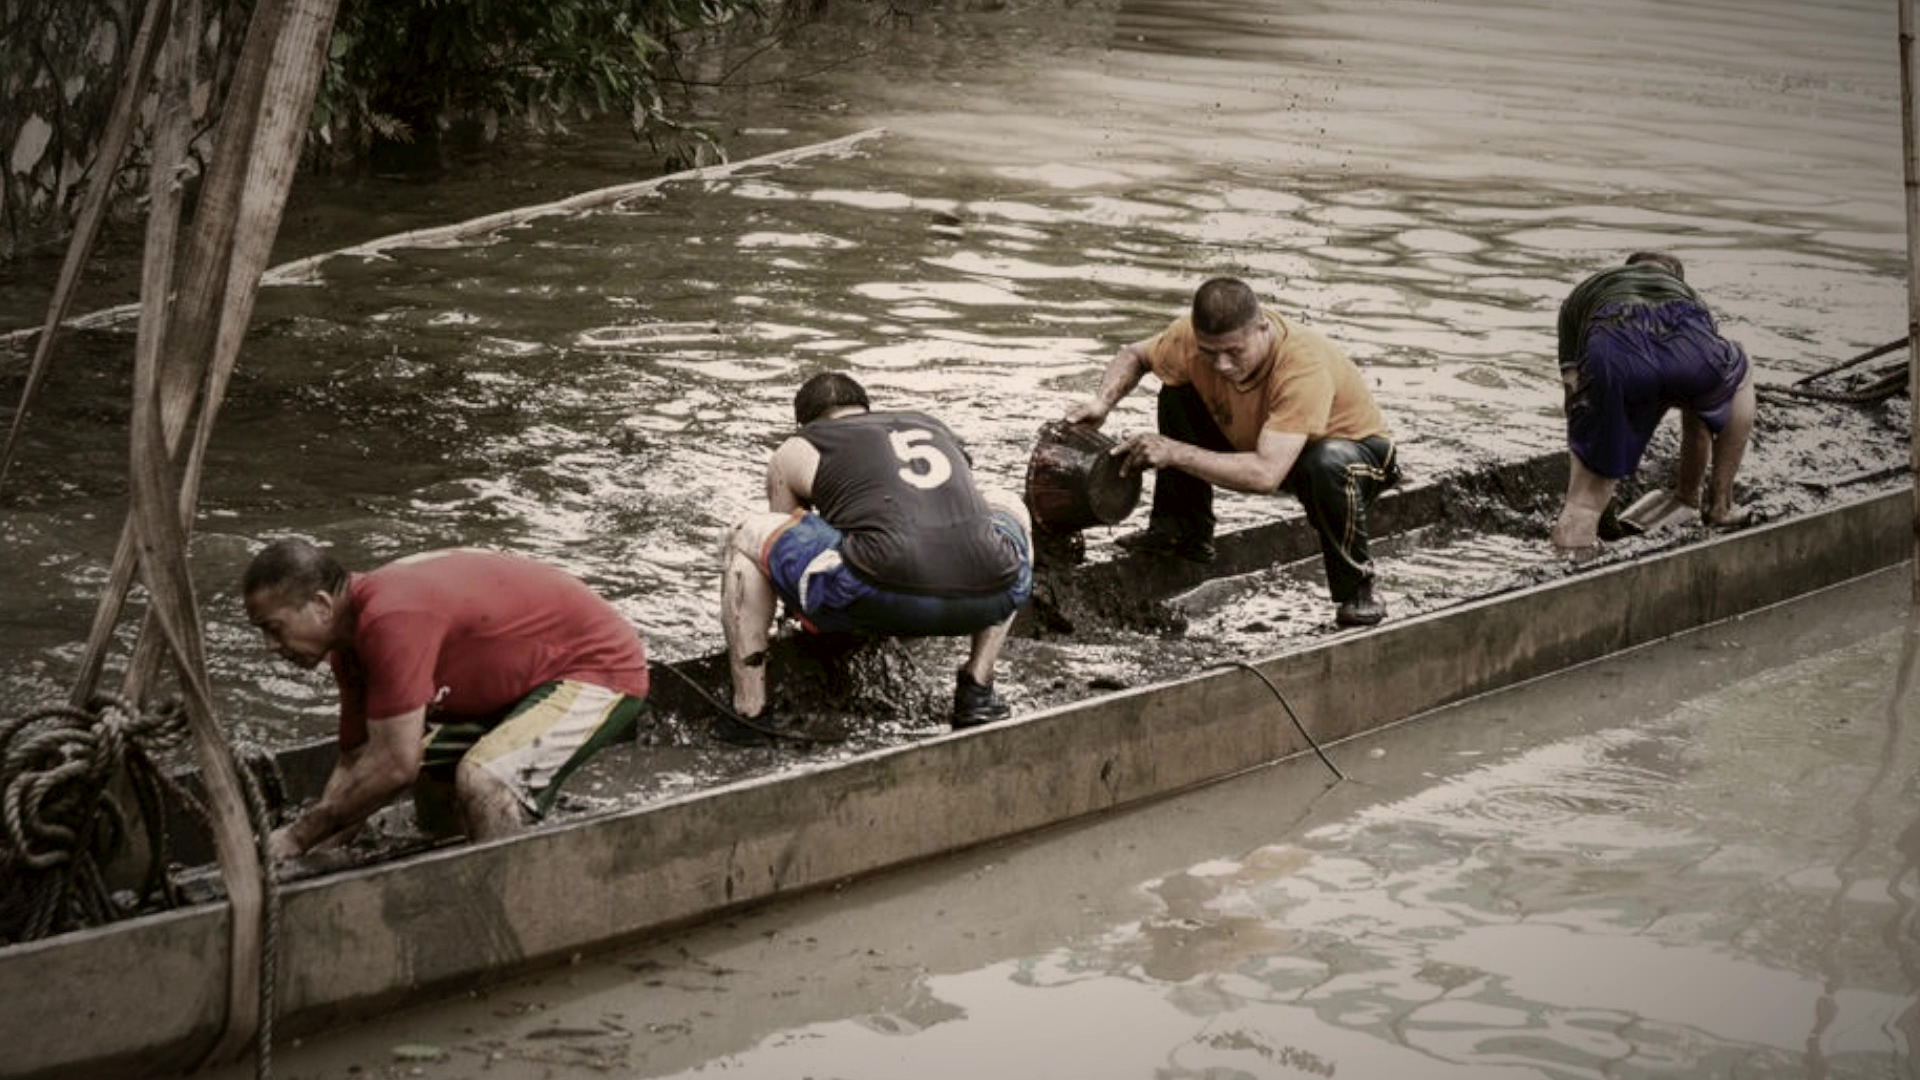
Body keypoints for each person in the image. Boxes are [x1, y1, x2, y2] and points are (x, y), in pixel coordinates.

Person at [241, 540, 650, 859]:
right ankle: (452, 854)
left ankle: (506, 900)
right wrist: (314, 853)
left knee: (483, 781)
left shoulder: (390, 620)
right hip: (519, 680)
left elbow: (394, 765)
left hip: (598, 668)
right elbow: (356, 760)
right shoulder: (349, 649)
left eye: (274, 628)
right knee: (425, 770)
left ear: (321, 605)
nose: (269, 646)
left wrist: (297, 836)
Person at [1065, 276, 1399, 627]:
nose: (1222, 364)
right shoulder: (1188, 339)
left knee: (1326, 463)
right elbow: (1135, 355)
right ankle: (1182, 533)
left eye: (1234, 352)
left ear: (1262, 329)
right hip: (1267, 440)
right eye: (1210, 353)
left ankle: (1358, 590)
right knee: (1177, 392)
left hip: (1355, 458)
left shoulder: (1302, 365)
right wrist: (1102, 403)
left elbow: (1265, 476)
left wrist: (1174, 452)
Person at [719, 372, 1034, 740]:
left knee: (745, 536)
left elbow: (781, 542)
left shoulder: (800, 444)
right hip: (994, 593)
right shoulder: (930, 425)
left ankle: (750, 712)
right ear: (866, 410)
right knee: (1009, 505)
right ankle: (977, 688)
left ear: (803, 424)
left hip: (877, 587)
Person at [1550, 251, 1756, 552]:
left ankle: (1573, 557)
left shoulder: (1587, 291)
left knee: (1583, 504)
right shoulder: (1690, 297)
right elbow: (1701, 420)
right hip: (1688, 352)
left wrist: (1595, 458)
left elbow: (1574, 391)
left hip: (1614, 352)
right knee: (1740, 372)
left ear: (1627, 271)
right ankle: (1717, 505)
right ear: (1676, 278)